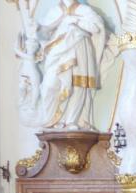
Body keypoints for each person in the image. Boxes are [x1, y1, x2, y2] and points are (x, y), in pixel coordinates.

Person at [21, 0, 106, 130]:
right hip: (58, 52)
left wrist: (76, 21)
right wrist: (43, 27)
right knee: (49, 85)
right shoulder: (54, 11)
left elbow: (96, 27)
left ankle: (72, 120)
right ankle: (51, 120)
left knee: (78, 84)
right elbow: (42, 35)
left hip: (79, 48)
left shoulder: (84, 10)